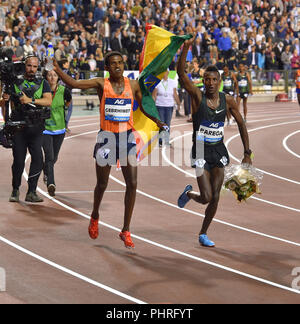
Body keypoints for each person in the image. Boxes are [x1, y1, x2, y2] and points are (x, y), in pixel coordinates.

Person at [53, 51, 166, 248]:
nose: (118, 66)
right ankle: (95, 214)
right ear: (106, 67)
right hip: (107, 138)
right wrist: (56, 69)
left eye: (120, 63)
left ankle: (126, 230)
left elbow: (144, 106)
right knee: (102, 184)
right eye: (113, 64)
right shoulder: (100, 83)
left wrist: (156, 120)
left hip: (127, 137)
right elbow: (75, 84)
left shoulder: (133, 85)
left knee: (132, 183)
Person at [177, 35, 252, 247]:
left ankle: (203, 233)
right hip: (200, 150)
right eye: (206, 80)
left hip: (218, 150)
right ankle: (190, 194)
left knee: (217, 196)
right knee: (206, 196)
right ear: (203, 81)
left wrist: (247, 152)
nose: (210, 83)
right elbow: (182, 74)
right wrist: (186, 48)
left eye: (213, 80)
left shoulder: (227, 100)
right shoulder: (198, 97)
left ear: (219, 82)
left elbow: (241, 124)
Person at [7, 55, 52, 203]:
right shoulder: (14, 81)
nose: (31, 69)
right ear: (24, 65)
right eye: (29, 66)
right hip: (19, 127)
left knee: (38, 159)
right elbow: (5, 101)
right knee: (19, 161)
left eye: (34, 66)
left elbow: (48, 101)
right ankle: (15, 189)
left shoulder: (43, 82)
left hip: (36, 127)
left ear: (37, 67)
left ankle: (31, 192)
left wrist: (30, 100)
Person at [42, 69, 72, 197]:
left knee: (54, 158)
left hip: (59, 129)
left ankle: (46, 170)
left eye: (55, 75)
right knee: (49, 156)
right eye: (50, 75)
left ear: (58, 78)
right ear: (46, 77)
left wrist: (64, 118)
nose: (52, 77)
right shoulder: (42, 90)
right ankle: (51, 183)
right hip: (45, 129)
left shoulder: (64, 91)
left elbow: (68, 102)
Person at [152, 70, 181, 146]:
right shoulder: (157, 82)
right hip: (160, 105)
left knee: (167, 123)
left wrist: (178, 103)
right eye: (163, 72)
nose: (164, 73)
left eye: (165, 72)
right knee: (162, 123)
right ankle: (161, 141)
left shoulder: (172, 82)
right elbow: (154, 95)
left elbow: (175, 94)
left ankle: (167, 141)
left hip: (169, 105)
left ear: (168, 73)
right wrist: (152, 106)